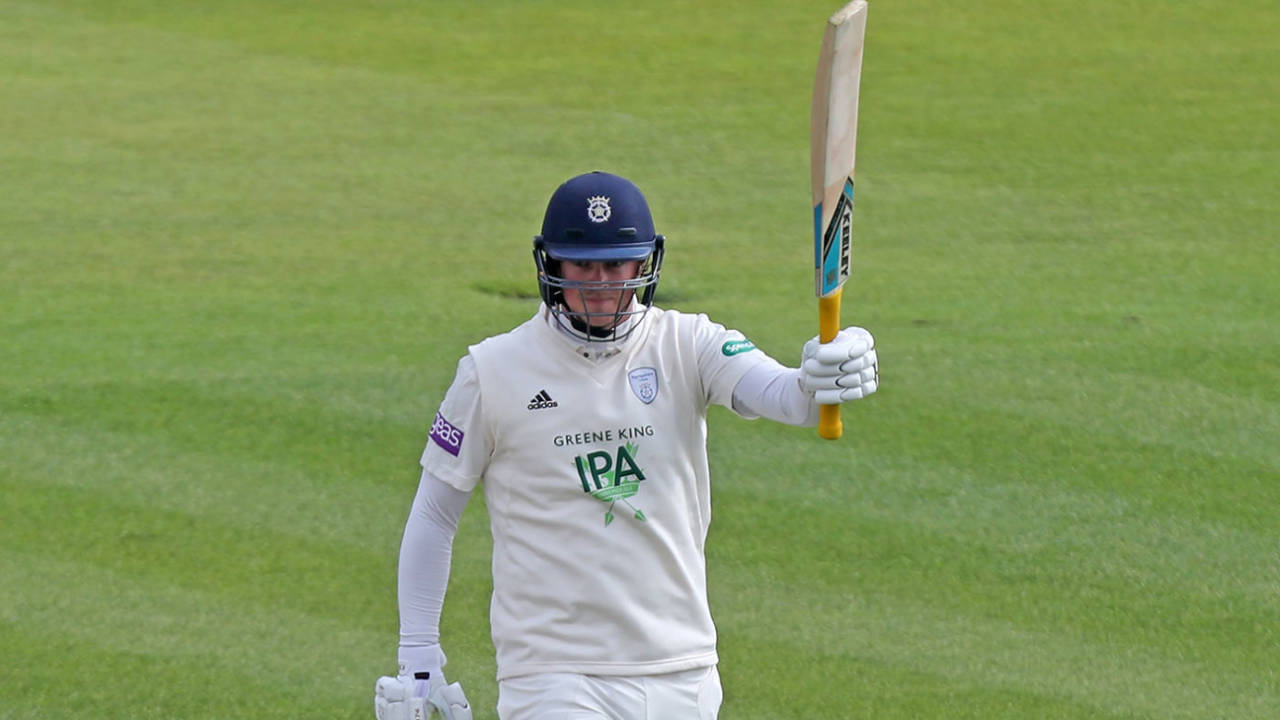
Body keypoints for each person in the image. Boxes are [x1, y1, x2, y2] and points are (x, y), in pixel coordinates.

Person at [374, 171, 878, 720]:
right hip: (553, 674)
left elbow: (790, 399)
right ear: (552, 266)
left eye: (616, 264)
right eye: (583, 265)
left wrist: (830, 367)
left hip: (682, 669)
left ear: (643, 264)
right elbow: (433, 513)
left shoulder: (689, 342)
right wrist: (418, 657)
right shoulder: (491, 371)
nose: (600, 283)